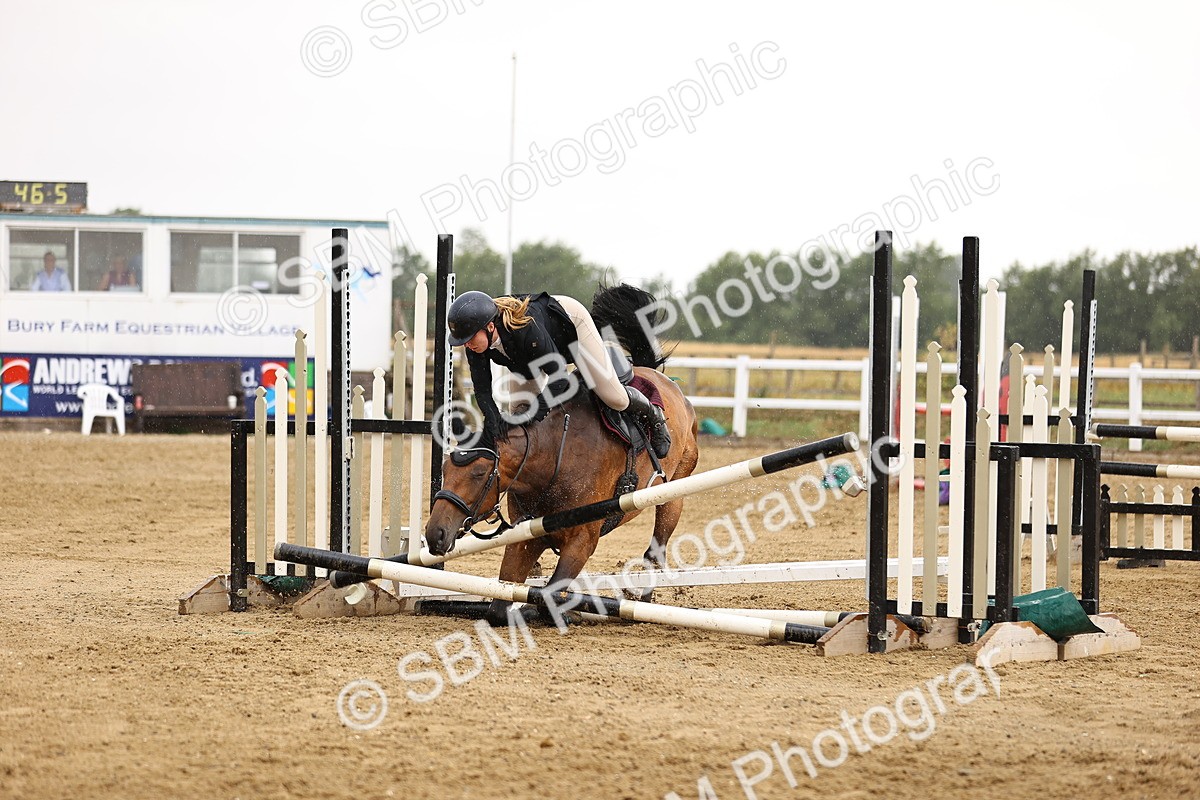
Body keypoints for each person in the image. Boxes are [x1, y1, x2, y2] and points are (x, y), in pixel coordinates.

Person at [448, 289, 671, 458]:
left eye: (469, 338)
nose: (466, 344)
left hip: (572, 326)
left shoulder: (526, 329)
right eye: (463, 341)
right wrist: (494, 421)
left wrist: (535, 413)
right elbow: (482, 390)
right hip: (527, 358)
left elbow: (559, 377)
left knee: (615, 398)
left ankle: (655, 416)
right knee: (517, 410)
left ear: (490, 327)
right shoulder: (475, 346)